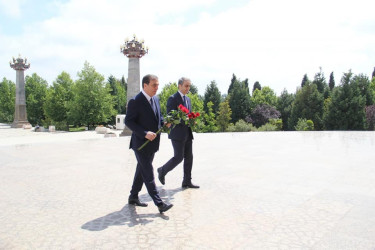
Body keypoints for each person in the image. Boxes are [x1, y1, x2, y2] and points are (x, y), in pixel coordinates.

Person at [125, 74, 173, 213]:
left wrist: (164, 123)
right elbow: (129, 121)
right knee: (148, 172)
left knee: (141, 169)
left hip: (152, 144)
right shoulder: (135, 101)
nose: (156, 88)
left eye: (158, 85)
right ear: (145, 85)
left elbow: (158, 116)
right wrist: (144, 133)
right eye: (154, 85)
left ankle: (133, 196)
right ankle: (159, 204)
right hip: (140, 144)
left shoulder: (156, 99)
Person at [157, 77, 200, 189]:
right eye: (186, 86)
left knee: (189, 157)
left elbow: (188, 114)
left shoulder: (188, 99)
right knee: (178, 157)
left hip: (187, 133)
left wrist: (192, 119)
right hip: (177, 133)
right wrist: (184, 119)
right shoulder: (173, 99)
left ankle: (187, 181)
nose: (188, 88)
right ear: (179, 86)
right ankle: (162, 170)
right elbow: (170, 116)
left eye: (189, 86)